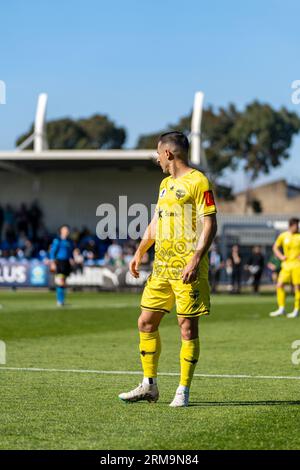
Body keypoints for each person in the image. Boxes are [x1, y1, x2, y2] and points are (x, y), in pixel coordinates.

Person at [118, 131, 217, 407]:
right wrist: (140, 251)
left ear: (168, 154)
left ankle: (183, 390)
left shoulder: (198, 181)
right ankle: (149, 385)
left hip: (188, 268)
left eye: (157, 154)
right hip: (162, 269)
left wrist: (196, 259)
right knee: (145, 322)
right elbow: (157, 221)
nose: (157, 159)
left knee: (187, 328)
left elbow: (210, 223)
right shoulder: (164, 185)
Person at [270, 218, 300, 319]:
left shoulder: (299, 236)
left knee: (297, 287)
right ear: (290, 226)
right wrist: (281, 256)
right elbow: (275, 247)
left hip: (297, 265)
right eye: (296, 225)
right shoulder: (283, 236)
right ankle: (281, 308)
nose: (297, 227)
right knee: (279, 285)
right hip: (286, 265)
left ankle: (296, 310)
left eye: (298, 225)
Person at [49, 225, 74, 307]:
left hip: (66, 262)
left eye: (67, 230)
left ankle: (62, 300)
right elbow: (52, 252)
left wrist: (71, 259)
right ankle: (60, 300)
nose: (67, 231)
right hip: (59, 262)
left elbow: (70, 252)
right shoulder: (57, 240)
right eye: (65, 230)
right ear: (61, 231)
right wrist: (52, 263)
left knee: (64, 282)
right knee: (60, 281)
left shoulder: (69, 241)